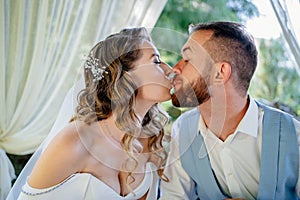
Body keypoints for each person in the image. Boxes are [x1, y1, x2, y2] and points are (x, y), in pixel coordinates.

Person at [11, 27, 174, 199]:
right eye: (156, 62)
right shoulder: (75, 141)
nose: (170, 70)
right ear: (125, 75)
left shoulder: (151, 141)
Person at [159, 21, 300, 199]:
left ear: (220, 73)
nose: (176, 68)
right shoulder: (183, 130)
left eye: (188, 60)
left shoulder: (294, 135)